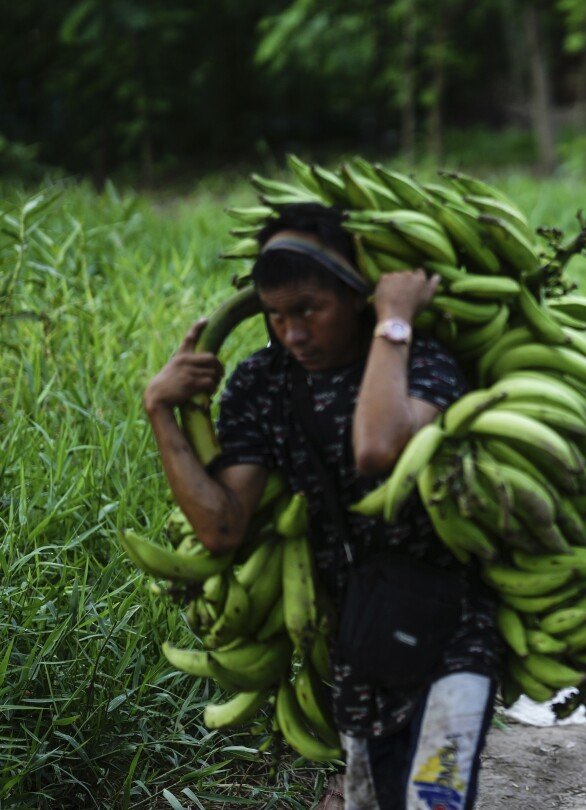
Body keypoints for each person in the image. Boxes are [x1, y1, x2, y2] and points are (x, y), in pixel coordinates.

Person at [142, 204, 501, 810]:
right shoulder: (263, 382)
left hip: (454, 630)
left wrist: (393, 320)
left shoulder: (424, 361)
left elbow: (378, 448)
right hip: (359, 633)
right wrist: (160, 410)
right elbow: (222, 525)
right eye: (277, 316)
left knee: (435, 800)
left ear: (357, 294)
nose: (295, 334)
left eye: (311, 309)